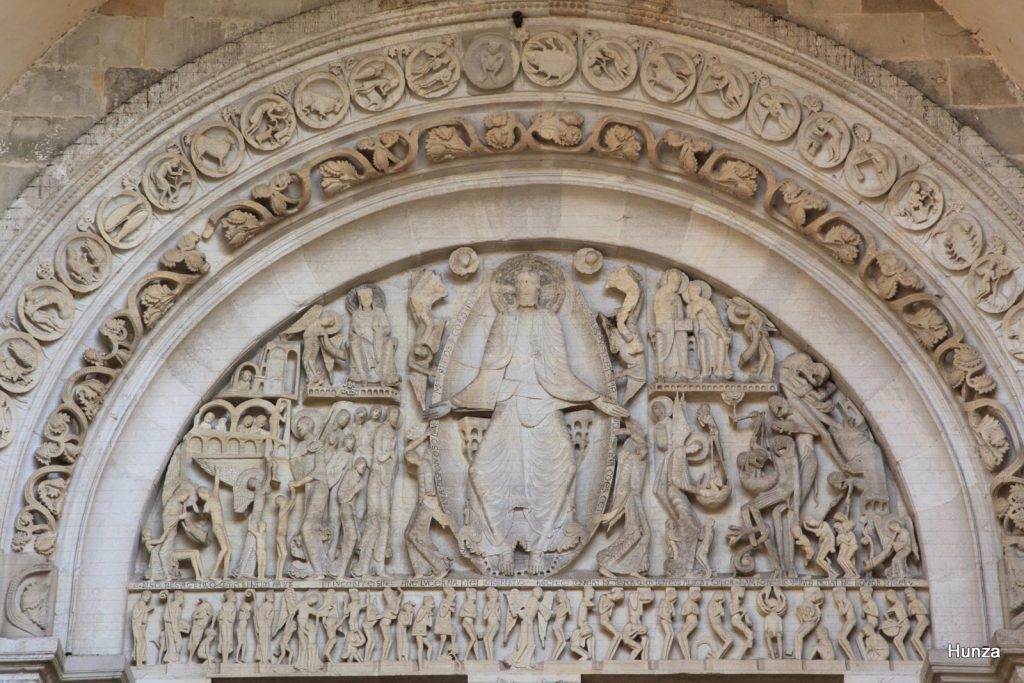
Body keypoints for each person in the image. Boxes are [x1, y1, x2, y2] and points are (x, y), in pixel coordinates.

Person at [427, 265, 627, 574]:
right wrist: (452, 403)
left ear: (540, 290)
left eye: (530, 282)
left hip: (544, 404)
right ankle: (501, 544)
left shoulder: (549, 320)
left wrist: (597, 399)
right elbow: (488, 371)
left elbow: (560, 371)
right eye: (520, 282)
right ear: (513, 289)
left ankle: (540, 544)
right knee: (481, 471)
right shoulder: (504, 319)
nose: (525, 287)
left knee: (565, 467)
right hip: (508, 405)